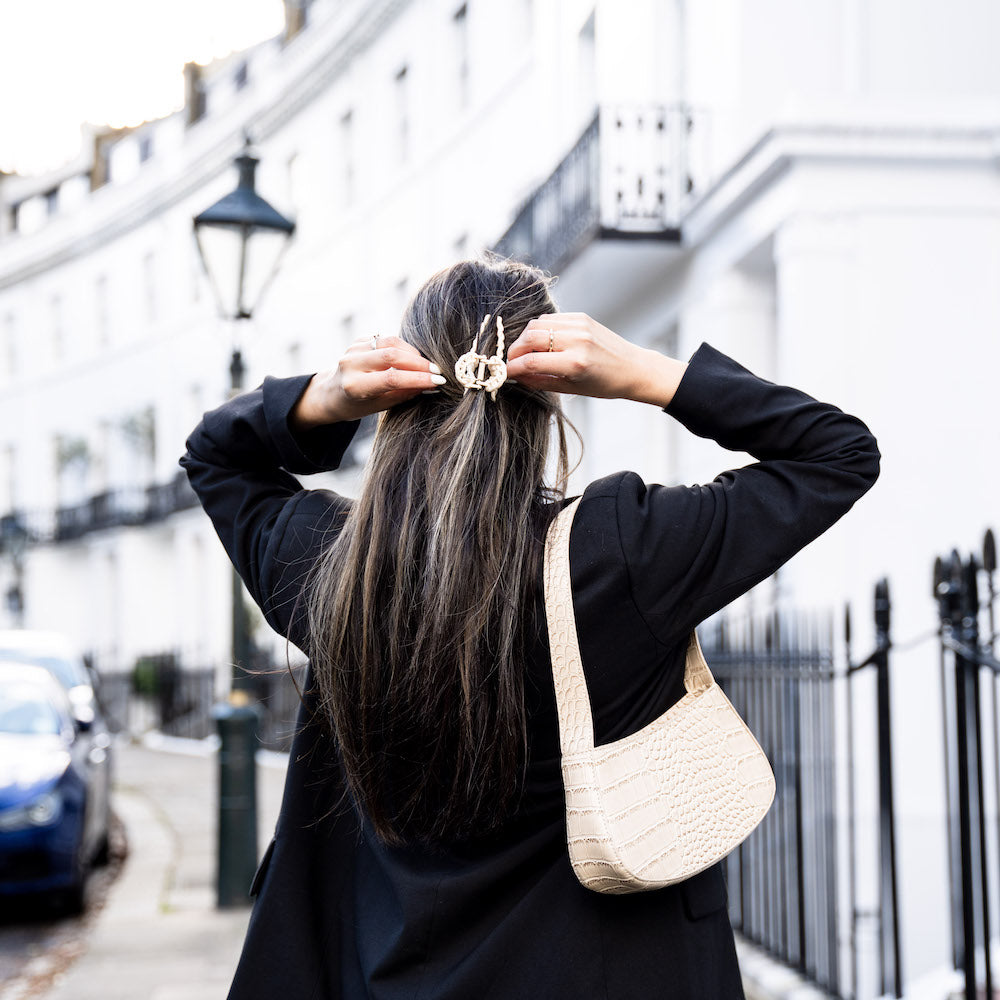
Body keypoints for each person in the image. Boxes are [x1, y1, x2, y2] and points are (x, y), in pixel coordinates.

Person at [180, 255, 879, 1000]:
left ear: (392, 397)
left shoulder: (329, 565)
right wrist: (646, 373)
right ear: (549, 395)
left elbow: (216, 454)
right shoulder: (618, 553)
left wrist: (323, 398)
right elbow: (837, 452)